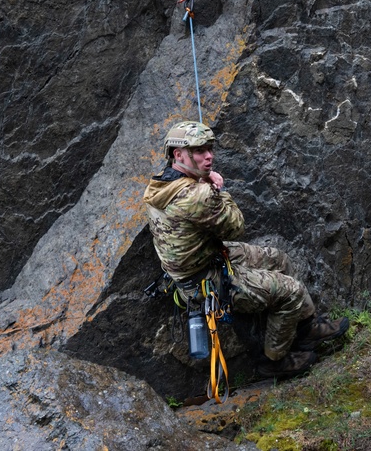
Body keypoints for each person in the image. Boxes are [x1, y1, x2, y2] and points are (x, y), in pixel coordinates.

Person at [143, 120, 348, 378]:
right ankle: (273, 361)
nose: (209, 156)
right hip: (205, 280)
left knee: (278, 259)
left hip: (202, 261)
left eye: (209, 148)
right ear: (178, 154)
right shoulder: (197, 195)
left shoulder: (160, 184)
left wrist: (202, 181)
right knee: (291, 292)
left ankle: (307, 328)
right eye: (199, 151)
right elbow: (236, 226)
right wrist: (216, 188)